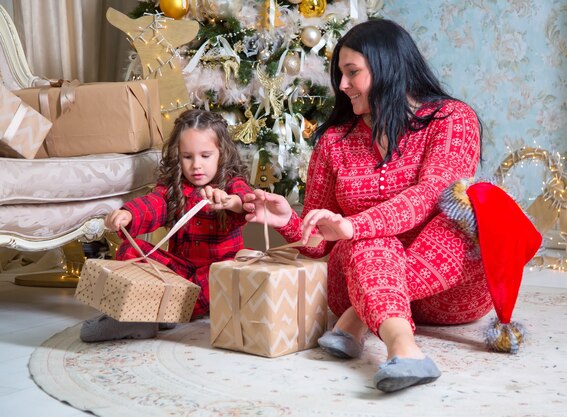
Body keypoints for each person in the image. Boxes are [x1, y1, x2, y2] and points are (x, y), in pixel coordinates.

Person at [242, 19, 489, 393]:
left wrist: (354, 226)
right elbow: (320, 245)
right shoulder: (335, 142)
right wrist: (289, 221)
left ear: (388, 67)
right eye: (340, 74)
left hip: (448, 292)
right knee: (367, 241)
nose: (341, 86)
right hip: (359, 279)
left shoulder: (452, 120)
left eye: (352, 73)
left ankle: (355, 322)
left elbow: (430, 194)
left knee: (459, 218)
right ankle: (404, 349)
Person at [80, 109, 252, 343]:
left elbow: (246, 202)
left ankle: (160, 312)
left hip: (216, 278)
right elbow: (154, 204)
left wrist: (232, 202)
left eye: (205, 155)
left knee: (231, 275)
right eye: (188, 157)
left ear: (222, 154)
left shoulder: (232, 184)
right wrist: (127, 214)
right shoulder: (175, 188)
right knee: (130, 251)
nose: (196, 166)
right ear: (178, 156)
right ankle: (151, 314)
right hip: (180, 275)